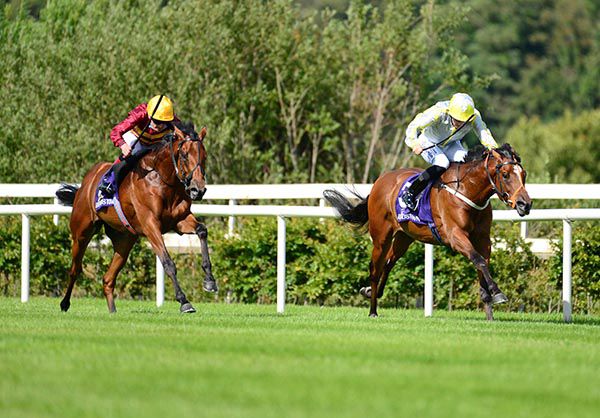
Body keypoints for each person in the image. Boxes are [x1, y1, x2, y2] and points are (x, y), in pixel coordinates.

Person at [399, 93, 498, 211]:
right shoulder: (438, 111)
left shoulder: (474, 116)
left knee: (468, 162)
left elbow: (484, 134)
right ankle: (411, 192)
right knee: (442, 163)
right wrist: (414, 143)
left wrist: (495, 150)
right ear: (450, 113)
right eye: (456, 120)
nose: (459, 124)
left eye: (463, 121)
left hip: (451, 144)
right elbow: (414, 125)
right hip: (428, 142)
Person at [98, 95, 179, 197]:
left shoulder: (171, 119)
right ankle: (109, 180)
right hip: (136, 138)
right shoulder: (140, 114)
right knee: (131, 154)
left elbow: (186, 136)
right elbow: (115, 131)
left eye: (165, 122)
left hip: (156, 143)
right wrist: (123, 145)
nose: (160, 125)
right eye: (157, 121)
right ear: (149, 115)